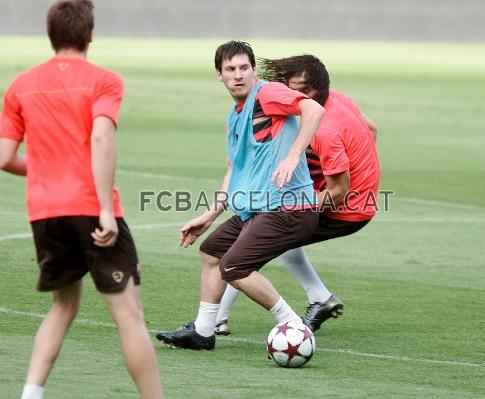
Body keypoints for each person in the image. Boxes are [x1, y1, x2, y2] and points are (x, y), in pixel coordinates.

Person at [0, 1, 163, 398]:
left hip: (46, 213)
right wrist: (105, 210)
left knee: (63, 306)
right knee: (128, 316)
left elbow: (4, 156)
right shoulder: (104, 80)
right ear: (90, 34)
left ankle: (30, 394)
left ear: (51, 35)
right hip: (91, 209)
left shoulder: (21, 85)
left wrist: (44, 171)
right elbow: (102, 137)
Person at [155, 41, 325, 350]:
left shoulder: (267, 94)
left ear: (253, 71)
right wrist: (210, 214)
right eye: (230, 69)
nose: (238, 75)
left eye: (244, 68)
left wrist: (292, 155)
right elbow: (235, 172)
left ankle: (295, 328)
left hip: (291, 208)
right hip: (260, 210)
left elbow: (313, 109)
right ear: (219, 75)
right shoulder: (234, 118)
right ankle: (204, 330)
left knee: (233, 267)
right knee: (211, 252)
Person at [214, 54, 380, 335]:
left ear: (318, 89)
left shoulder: (323, 130)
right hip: (358, 193)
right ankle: (319, 297)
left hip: (348, 207)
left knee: (257, 235)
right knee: (268, 232)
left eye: (303, 91)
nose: (294, 96)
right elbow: (372, 130)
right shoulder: (338, 99)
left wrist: (300, 204)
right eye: (291, 88)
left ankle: (218, 318)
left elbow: (339, 191)